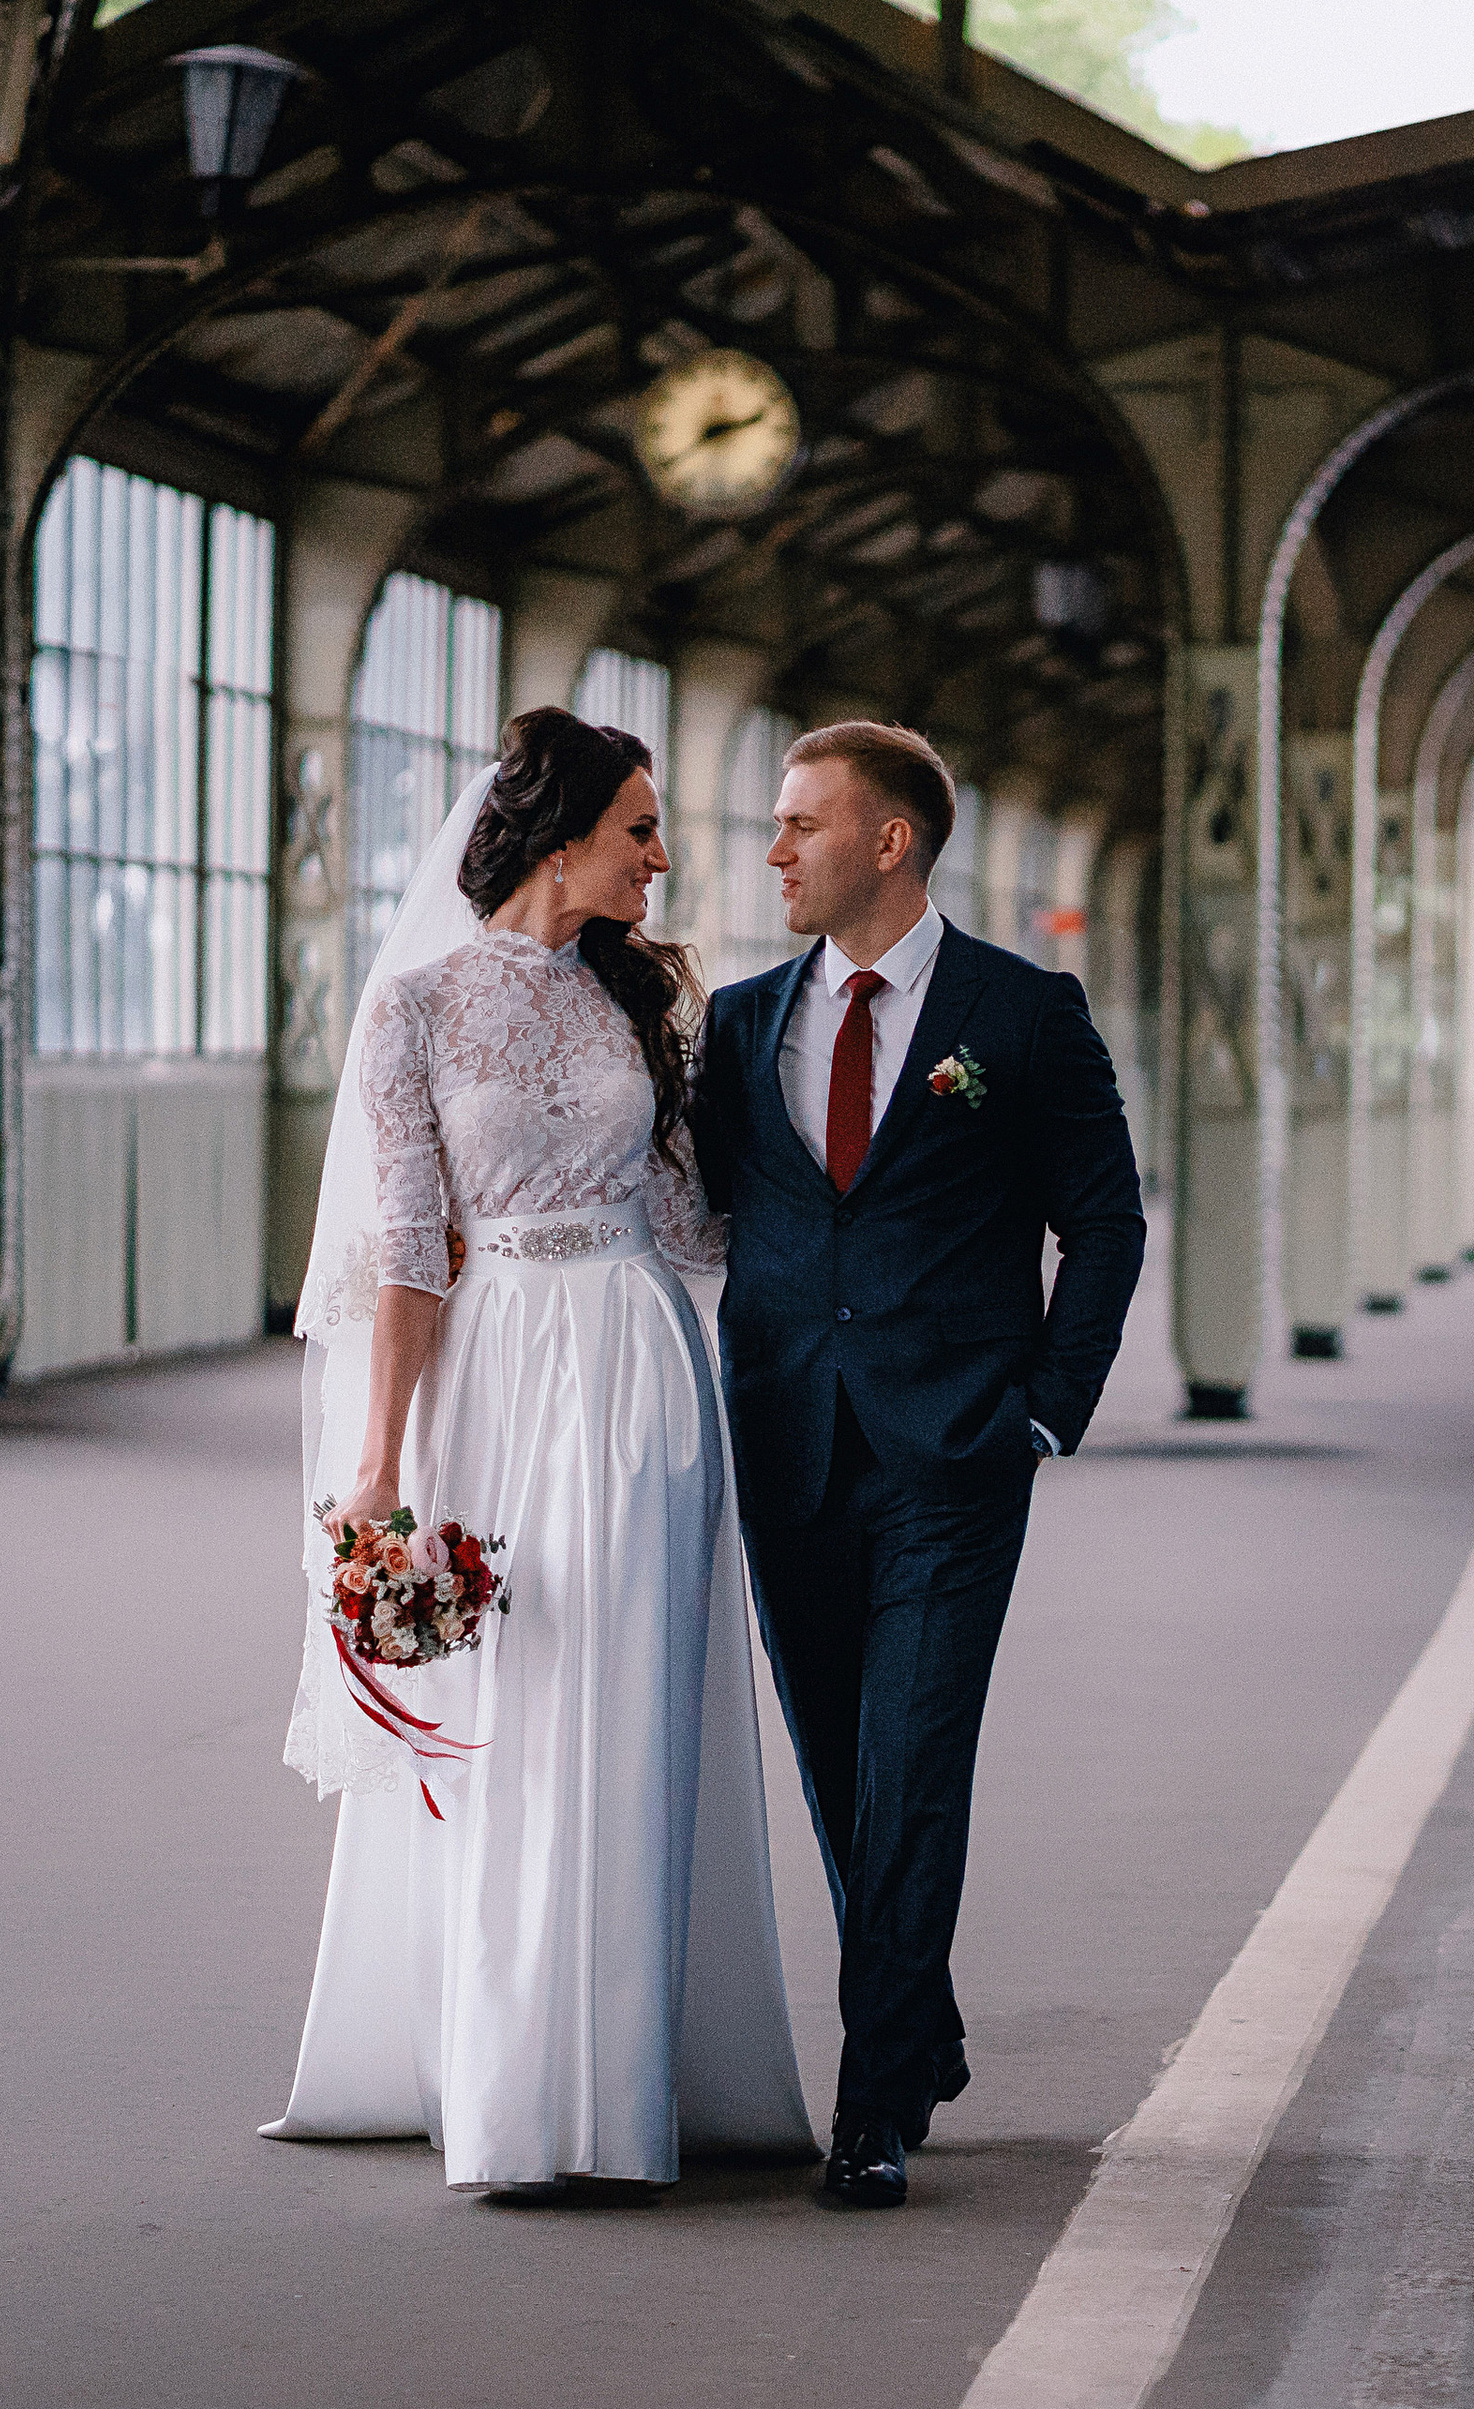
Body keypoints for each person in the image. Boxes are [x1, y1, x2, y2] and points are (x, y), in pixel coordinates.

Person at [264, 708, 813, 2193]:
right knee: (506, 1709)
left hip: (641, 1369)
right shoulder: (417, 1008)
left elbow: (695, 1219)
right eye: (640, 827)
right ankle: (512, 2093)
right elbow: (407, 1252)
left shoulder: (642, 1004)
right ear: (561, 836)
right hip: (496, 1375)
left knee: (629, 1704)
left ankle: (620, 2090)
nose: (661, 856)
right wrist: (380, 1466)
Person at [694, 720, 1145, 2209]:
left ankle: (875, 2098)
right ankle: (921, 2026)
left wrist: (1047, 1409)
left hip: (955, 1456)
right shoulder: (741, 1026)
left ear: (889, 842)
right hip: (791, 1448)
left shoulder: (1021, 1015)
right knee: (841, 1765)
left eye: (802, 824)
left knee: (913, 1763)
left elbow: (1105, 1220)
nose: (774, 850)